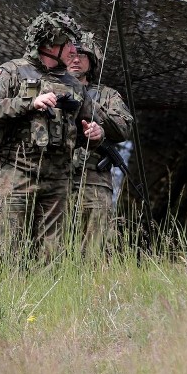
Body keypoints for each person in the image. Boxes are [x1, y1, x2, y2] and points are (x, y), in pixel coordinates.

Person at [0, 12, 107, 263]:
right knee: (9, 252)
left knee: (52, 257)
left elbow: (89, 124)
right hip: (17, 174)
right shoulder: (11, 72)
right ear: (49, 44)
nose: (73, 50)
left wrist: (96, 134)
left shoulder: (74, 84)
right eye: (67, 43)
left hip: (58, 179)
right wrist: (29, 103)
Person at [68, 32, 133, 255]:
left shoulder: (107, 95)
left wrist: (100, 128)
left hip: (93, 180)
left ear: (92, 60)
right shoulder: (48, 88)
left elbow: (124, 127)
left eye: (83, 55)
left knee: (94, 248)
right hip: (52, 177)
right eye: (71, 54)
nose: (76, 60)